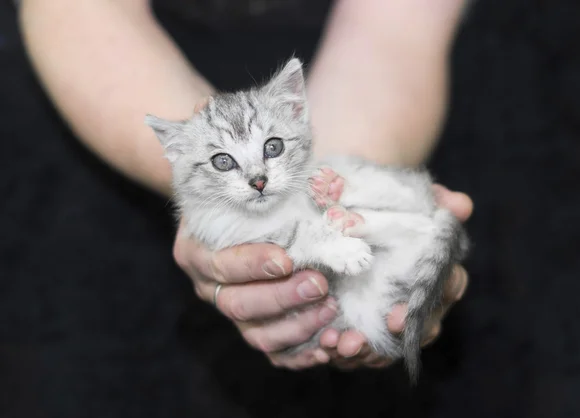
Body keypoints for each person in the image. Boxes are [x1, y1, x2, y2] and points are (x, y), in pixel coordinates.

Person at [17, 0, 473, 370]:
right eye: (224, 163)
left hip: (368, 100)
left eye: (267, 157)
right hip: (110, 117)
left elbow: (394, 30)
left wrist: (340, 184)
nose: (256, 179)